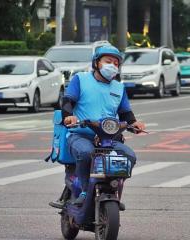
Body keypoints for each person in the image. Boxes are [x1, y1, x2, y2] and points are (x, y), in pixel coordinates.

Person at [60, 45, 145, 207]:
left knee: (128, 156)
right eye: (108, 61)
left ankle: (115, 192)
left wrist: (134, 124)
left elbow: (126, 113)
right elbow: (67, 102)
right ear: (97, 63)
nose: (112, 66)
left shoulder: (119, 88)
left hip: (108, 138)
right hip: (80, 135)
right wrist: (68, 117)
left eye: (116, 63)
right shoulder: (81, 79)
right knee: (86, 153)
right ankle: (84, 191)